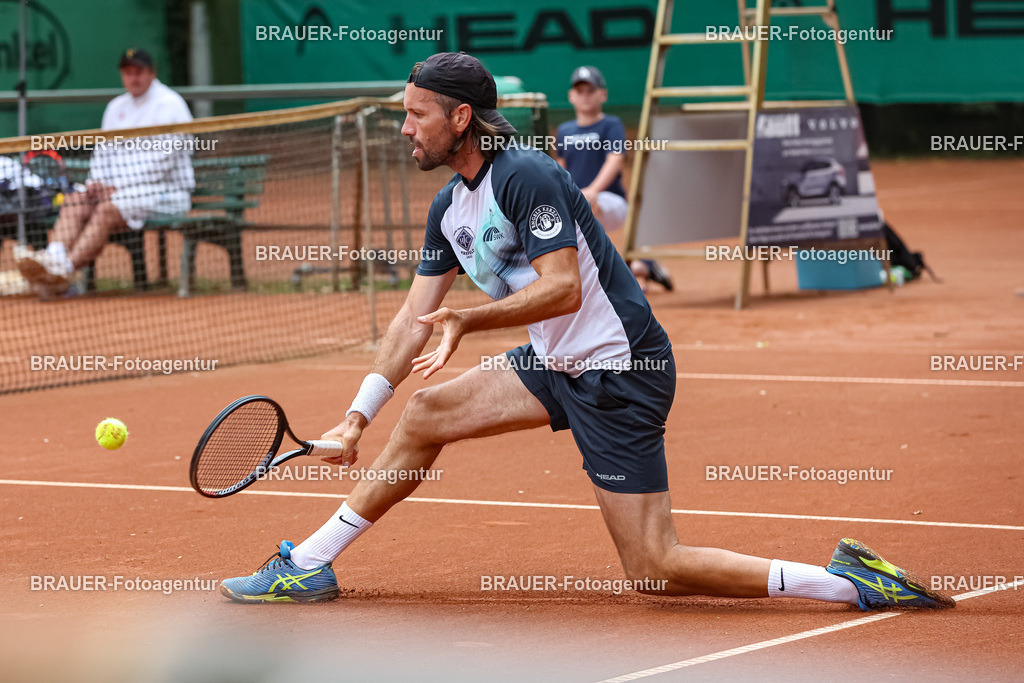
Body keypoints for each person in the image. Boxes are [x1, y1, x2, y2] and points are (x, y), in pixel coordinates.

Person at [219, 52, 954, 613]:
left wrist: (469, 318)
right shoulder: (449, 206)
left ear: (461, 118)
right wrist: (355, 418)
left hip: (619, 370)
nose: (405, 127)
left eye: (416, 115)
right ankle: (308, 564)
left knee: (654, 568)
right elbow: (414, 319)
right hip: (555, 361)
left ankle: (844, 581)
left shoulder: (525, 175)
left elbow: (563, 287)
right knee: (424, 412)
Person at [15, 48, 194, 297]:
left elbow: (163, 162)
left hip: (167, 193)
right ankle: (54, 257)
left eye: (139, 72)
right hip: (120, 192)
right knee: (75, 200)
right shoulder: (115, 107)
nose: (133, 78)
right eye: (128, 72)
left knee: (106, 209)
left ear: (152, 73)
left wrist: (117, 187)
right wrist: (96, 183)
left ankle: (64, 271)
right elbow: (102, 154)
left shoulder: (171, 105)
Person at [555, 65, 672, 293]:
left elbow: (615, 158)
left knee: (588, 206)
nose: (585, 96)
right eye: (580, 91)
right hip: (577, 203)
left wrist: (592, 190)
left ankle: (611, 277)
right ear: (571, 96)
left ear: (603, 94)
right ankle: (643, 267)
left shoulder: (611, 124)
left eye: (591, 90)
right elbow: (561, 169)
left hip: (611, 202)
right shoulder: (564, 130)